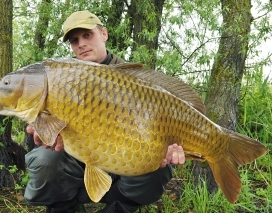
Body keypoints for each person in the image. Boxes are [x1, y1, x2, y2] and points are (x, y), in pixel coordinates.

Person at [24, 10, 186, 213]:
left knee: (159, 166)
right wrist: (45, 133)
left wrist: (170, 143)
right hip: (79, 166)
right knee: (44, 159)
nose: (81, 43)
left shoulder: (133, 78)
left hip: (125, 166)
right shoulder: (61, 78)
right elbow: (42, 127)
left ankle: (120, 208)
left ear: (104, 34)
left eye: (87, 35)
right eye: (74, 40)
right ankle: (62, 208)